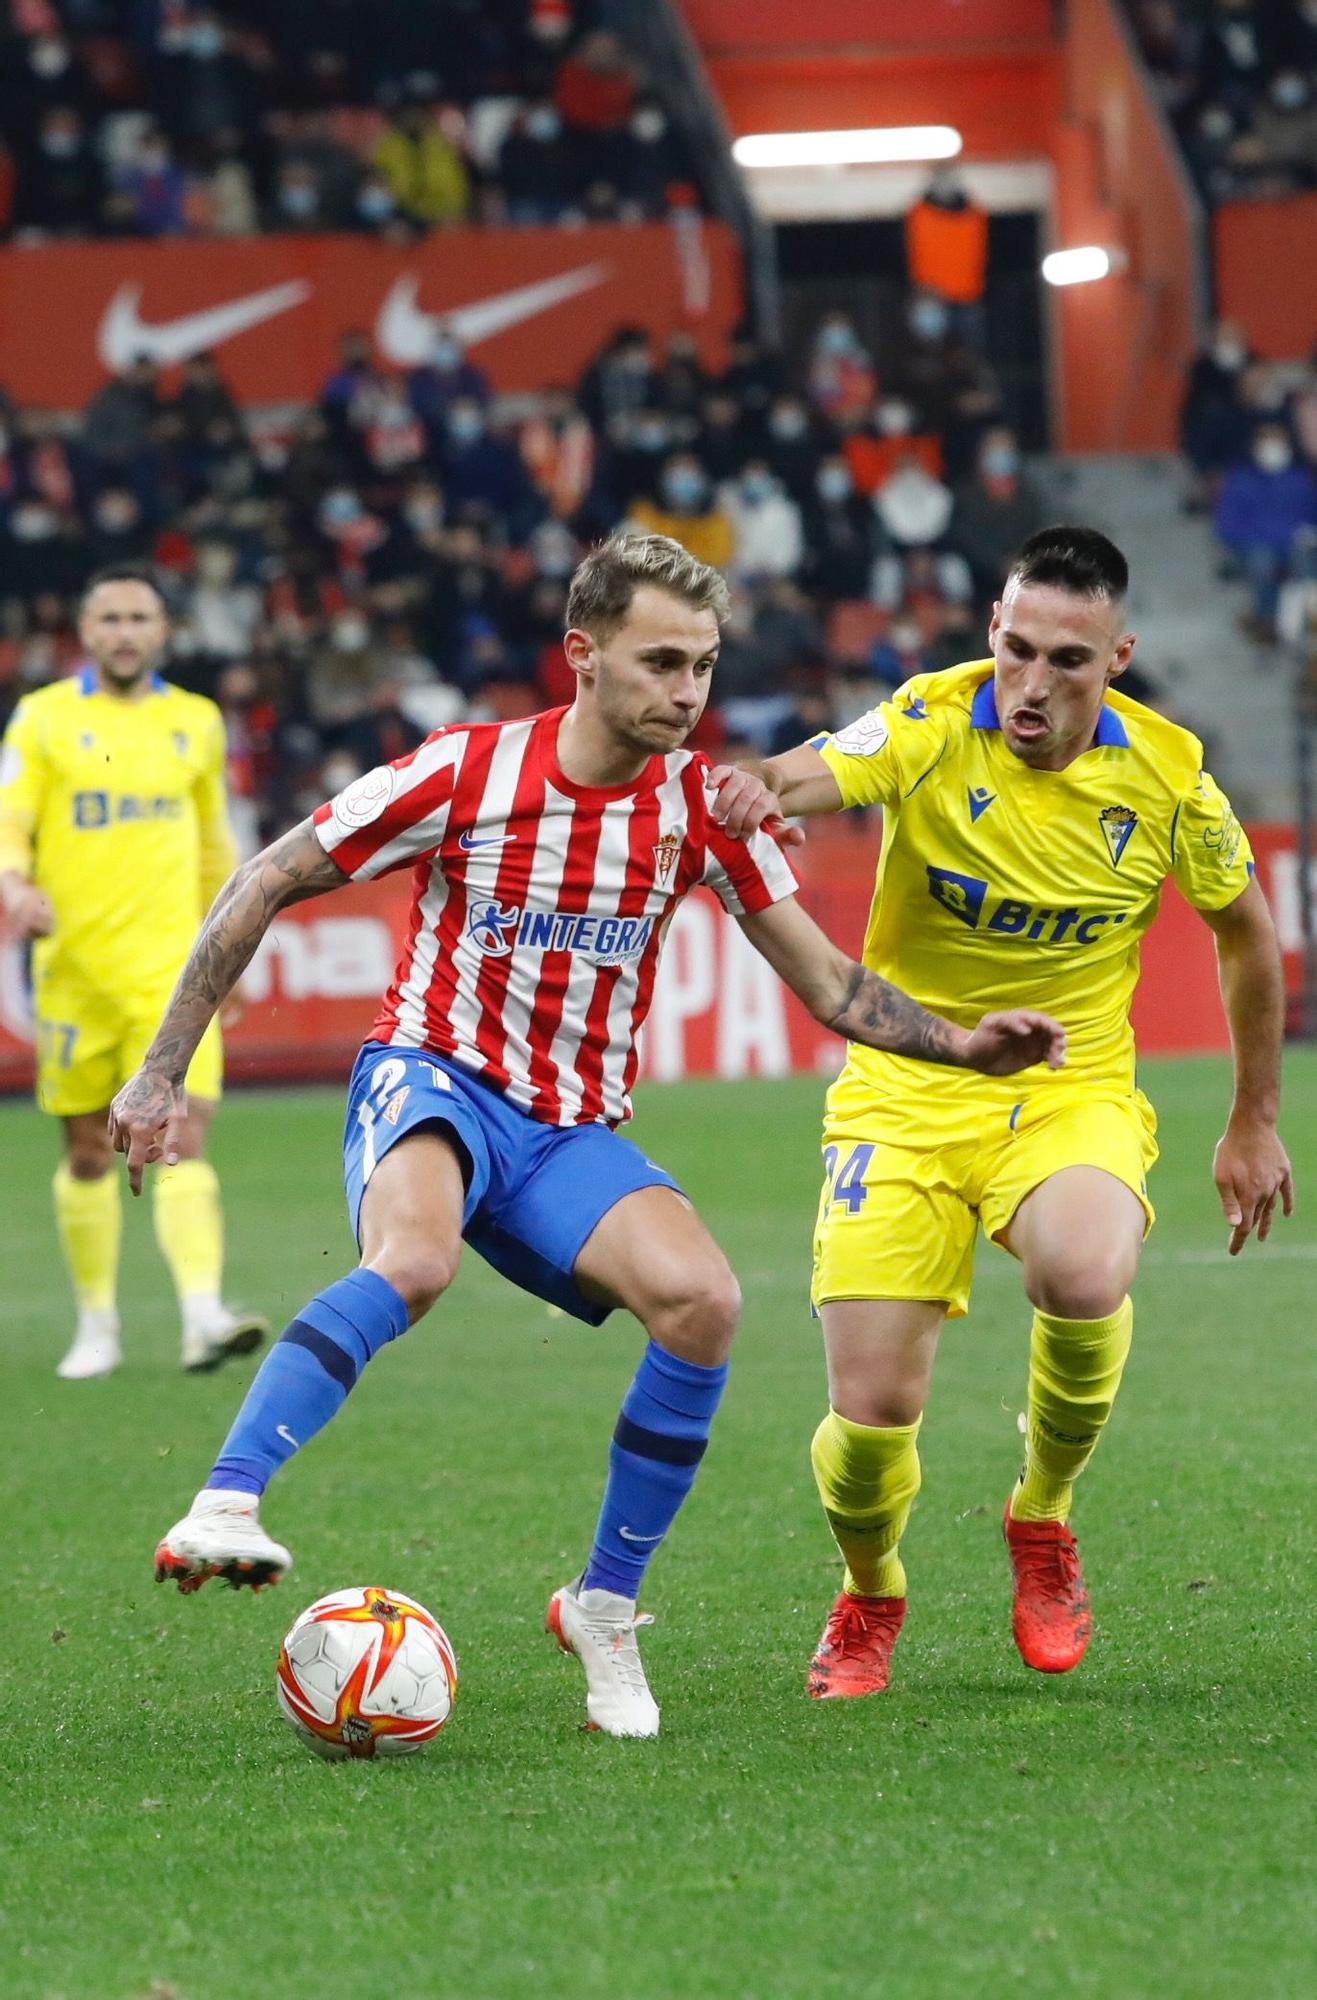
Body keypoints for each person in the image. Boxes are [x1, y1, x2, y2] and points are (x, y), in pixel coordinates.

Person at [108, 533, 1062, 1741]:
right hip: (435, 1075)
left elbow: (831, 987)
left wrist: (967, 1044)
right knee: (414, 1259)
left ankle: (605, 1604)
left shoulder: (699, 809)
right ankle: (227, 1499)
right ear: (582, 655)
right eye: (661, 661)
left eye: (705, 665)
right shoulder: (460, 774)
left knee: (706, 1301)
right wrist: (157, 1072)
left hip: (569, 1129)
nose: (687, 691)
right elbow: (262, 882)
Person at [710, 524, 1293, 1699]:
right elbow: (820, 771)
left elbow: (1246, 934)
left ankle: (1045, 1514)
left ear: (1117, 655)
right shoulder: (934, 716)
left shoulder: (1171, 774)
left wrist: (1252, 1118)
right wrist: (753, 785)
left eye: (1067, 660)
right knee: (871, 1420)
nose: (1031, 682)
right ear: (991, 635)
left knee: (1084, 1270)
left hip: (1067, 1086)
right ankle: (871, 1590)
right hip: (904, 1086)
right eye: (1016, 649)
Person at [0, 566, 268, 1380]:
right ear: (85, 629)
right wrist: (13, 879)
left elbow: (216, 845)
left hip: (172, 977)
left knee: (182, 1137)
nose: (124, 631)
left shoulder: (197, 721)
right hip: (76, 972)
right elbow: (11, 815)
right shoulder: (43, 718)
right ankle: (98, 1325)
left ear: (163, 630)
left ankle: (202, 1316)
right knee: (86, 1151)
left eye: (139, 617)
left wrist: (237, 950)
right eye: (109, 616)